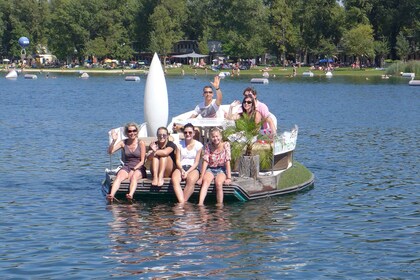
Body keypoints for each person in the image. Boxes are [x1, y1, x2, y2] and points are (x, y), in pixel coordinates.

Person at [107, 122, 147, 202]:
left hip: (138, 167)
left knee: (134, 177)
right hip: (127, 166)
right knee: (119, 177)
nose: (132, 133)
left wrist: (134, 169)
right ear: (126, 133)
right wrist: (114, 141)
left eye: (134, 131)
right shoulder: (123, 142)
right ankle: (111, 195)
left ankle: (130, 194)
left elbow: (142, 161)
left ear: (137, 131)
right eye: (129, 131)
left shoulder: (141, 143)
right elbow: (110, 152)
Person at [197, 127, 232, 206]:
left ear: (220, 136)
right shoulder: (208, 145)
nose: (215, 138)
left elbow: (227, 161)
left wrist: (229, 177)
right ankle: (200, 203)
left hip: (221, 169)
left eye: (217, 136)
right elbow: (206, 161)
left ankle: (219, 204)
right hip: (211, 169)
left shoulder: (226, 145)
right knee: (205, 182)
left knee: (218, 183)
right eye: (213, 137)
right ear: (211, 138)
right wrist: (201, 177)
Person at [171, 123, 203, 204]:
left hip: (193, 168)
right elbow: (177, 160)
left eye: (190, 132)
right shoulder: (179, 144)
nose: (187, 134)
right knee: (174, 179)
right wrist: (182, 170)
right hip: (181, 167)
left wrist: (187, 172)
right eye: (185, 132)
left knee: (191, 180)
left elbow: (196, 162)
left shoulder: (198, 145)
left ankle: (181, 203)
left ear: (194, 133)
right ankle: (182, 203)